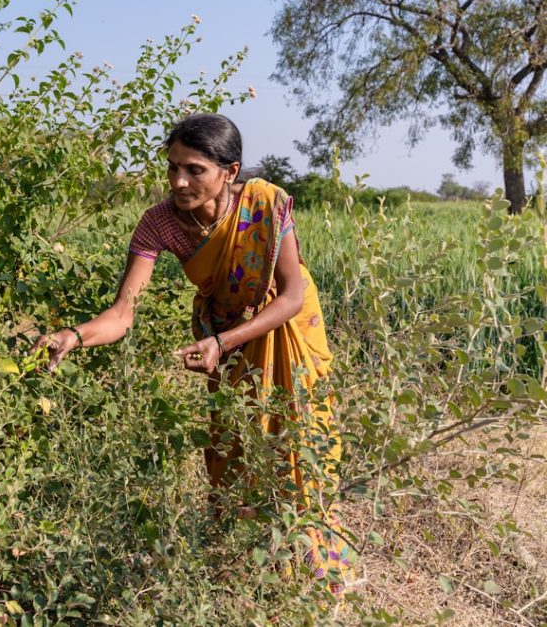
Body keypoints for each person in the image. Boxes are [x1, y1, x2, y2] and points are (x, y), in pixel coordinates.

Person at [32, 112, 352, 586]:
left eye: (194, 170)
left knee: (298, 438)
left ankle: (319, 577)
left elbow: (290, 296)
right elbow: (123, 313)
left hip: (284, 329)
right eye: (173, 167)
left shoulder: (266, 204)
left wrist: (222, 342)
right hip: (225, 333)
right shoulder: (158, 223)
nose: (179, 181)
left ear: (230, 171)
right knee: (235, 445)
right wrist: (73, 335)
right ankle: (244, 570)